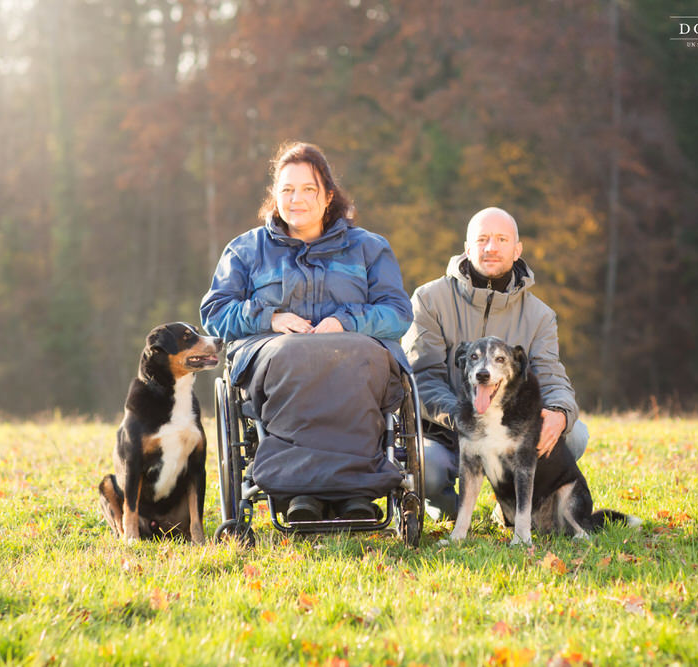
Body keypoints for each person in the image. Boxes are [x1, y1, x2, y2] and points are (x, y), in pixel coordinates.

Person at [200, 141, 414, 524]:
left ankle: (357, 490)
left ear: (329, 196)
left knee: (355, 355)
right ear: (275, 196)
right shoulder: (246, 251)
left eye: (308, 189)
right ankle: (297, 489)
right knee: (291, 354)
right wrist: (269, 318)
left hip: (357, 355)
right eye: (287, 190)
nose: (296, 199)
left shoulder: (369, 248)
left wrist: (347, 322)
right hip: (273, 355)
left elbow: (397, 314)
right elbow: (215, 314)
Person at [402, 207, 589, 521]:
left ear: (517, 250)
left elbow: (552, 377)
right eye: (483, 239)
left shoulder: (539, 315)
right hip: (446, 429)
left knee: (574, 434)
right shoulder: (428, 300)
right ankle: (446, 508)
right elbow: (421, 377)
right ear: (467, 248)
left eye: (501, 239)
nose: (491, 247)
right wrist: (464, 416)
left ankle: (513, 506)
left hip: (510, 430)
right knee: (427, 468)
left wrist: (559, 412)